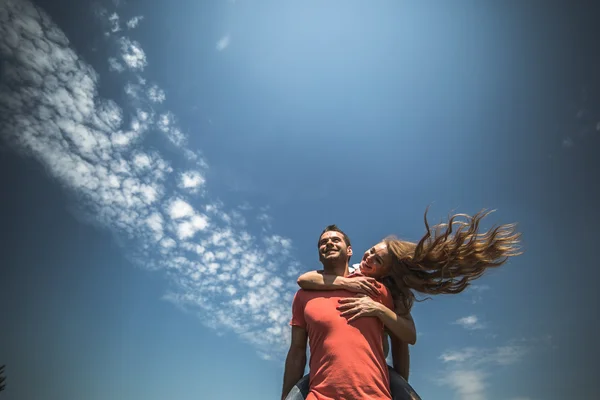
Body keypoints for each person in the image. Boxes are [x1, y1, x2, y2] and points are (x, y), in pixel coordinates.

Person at [296, 209, 522, 383]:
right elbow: (305, 279)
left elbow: (404, 342)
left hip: (374, 365)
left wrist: (400, 383)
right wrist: (346, 282)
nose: (369, 258)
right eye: (372, 250)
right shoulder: (354, 271)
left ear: (387, 272)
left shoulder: (387, 291)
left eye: (378, 261)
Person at [281, 225, 408, 400]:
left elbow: (401, 341)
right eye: (323, 242)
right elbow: (297, 350)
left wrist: (401, 388)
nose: (329, 243)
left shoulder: (376, 288)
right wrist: (285, 395)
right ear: (319, 253)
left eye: (335, 240)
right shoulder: (303, 295)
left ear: (349, 251)